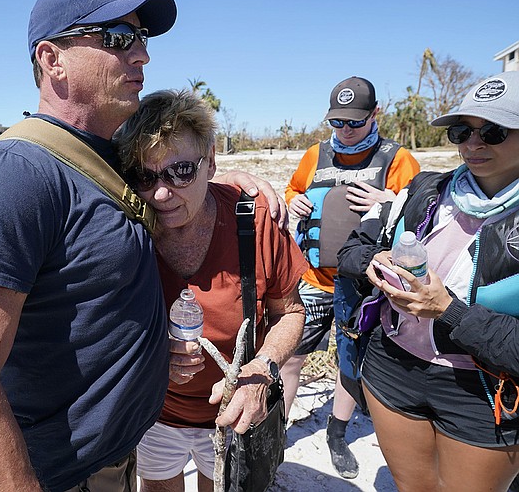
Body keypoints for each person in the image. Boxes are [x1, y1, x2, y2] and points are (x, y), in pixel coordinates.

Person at [0, 0, 283, 492]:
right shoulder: (13, 176)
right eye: (118, 38)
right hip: (56, 474)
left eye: (140, 38)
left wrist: (215, 177)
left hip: (118, 455)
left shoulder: (106, 160)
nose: (142, 54)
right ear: (52, 60)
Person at [113, 89, 307, 492]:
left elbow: (290, 312)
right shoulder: (125, 224)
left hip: (233, 411)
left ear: (211, 161)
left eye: (181, 171)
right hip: (155, 413)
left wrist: (261, 369)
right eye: (146, 177)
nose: (162, 194)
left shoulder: (254, 223)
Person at [337, 71, 519, 492]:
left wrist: (448, 311)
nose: (473, 145)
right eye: (462, 131)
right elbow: (351, 250)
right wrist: (373, 260)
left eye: (493, 132)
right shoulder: (424, 189)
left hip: (483, 389)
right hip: (391, 368)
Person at [282, 76, 420, 479]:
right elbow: (291, 191)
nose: (345, 131)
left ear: (374, 114)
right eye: (337, 123)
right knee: (292, 356)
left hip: (361, 283)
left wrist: (390, 202)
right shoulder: (314, 155)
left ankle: (337, 433)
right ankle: (279, 427)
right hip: (312, 278)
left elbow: (421, 218)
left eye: (354, 123)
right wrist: (296, 201)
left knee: (350, 360)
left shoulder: (397, 159)